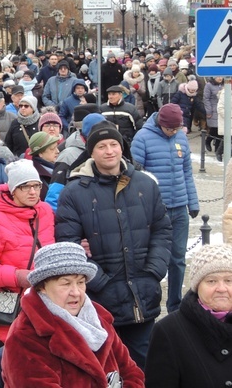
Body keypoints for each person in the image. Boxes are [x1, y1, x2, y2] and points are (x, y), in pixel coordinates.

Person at [55, 121, 172, 369]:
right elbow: (69, 244)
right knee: (107, 367)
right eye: (101, 146)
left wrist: (154, 271)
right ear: (91, 152)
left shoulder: (145, 184)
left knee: (145, 366)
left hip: (142, 293)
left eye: (114, 144)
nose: (109, 151)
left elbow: (162, 229)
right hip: (101, 299)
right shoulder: (75, 192)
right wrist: (99, 282)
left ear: (122, 148)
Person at [2, 242, 144, 387]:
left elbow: (132, 372)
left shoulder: (100, 319)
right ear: (42, 287)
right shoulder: (25, 335)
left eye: (81, 282)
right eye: (66, 284)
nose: (76, 292)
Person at [0, 160, 56, 347]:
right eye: (25, 187)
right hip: (12, 312)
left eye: (36, 185)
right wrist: (16, 277)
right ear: (13, 190)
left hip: (44, 305)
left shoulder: (46, 212)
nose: (33, 192)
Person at [131, 103, 199, 314]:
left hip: (179, 208)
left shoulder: (180, 138)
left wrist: (192, 201)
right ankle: (149, 304)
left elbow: (186, 171)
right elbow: (134, 175)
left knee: (178, 260)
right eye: (170, 129)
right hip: (154, 210)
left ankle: (176, 306)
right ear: (161, 123)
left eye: (177, 129)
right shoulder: (142, 138)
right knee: (151, 260)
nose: (173, 132)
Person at [145, 243, 232, 387]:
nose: (221, 288)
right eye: (212, 281)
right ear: (198, 286)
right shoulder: (169, 331)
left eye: (229, 280)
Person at [26, 131, 60, 200]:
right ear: (40, 153)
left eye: (57, 147)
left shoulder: (57, 169)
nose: (57, 151)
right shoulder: (35, 177)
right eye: (52, 149)